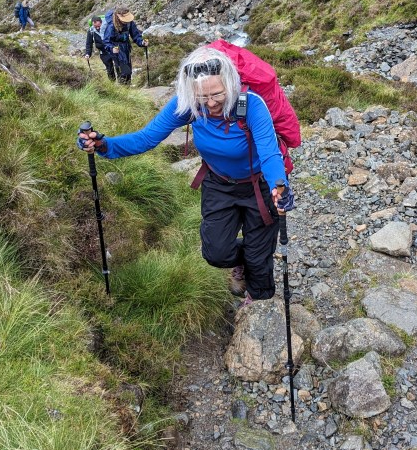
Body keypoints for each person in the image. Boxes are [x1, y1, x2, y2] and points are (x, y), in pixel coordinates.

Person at [78, 45, 294, 304]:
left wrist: (278, 187)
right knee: (216, 253)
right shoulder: (188, 104)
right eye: (203, 98)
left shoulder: (252, 105)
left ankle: (260, 304)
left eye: (217, 94)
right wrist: (105, 145)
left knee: (259, 259)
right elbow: (147, 138)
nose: (211, 103)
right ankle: (246, 260)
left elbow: (270, 153)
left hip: (259, 185)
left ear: (230, 84)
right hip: (219, 183)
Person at [106, 7, 147, 85]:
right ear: (118, 17)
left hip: (126, 48)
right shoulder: (111, 26)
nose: (126, 21)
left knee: (129, 72)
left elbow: (136, 35)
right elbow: (106, 41)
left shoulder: (130, 23)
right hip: (116, 50)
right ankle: (122, 91)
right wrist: (112, 48)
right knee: (123, 72)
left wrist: (141, 42)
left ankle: (127, 90)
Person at [84, 14, 116, 81]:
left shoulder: (108, 27)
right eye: (95, 26)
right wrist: (87, 54)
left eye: (98, 26)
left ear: (101, 22)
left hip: (112, 49)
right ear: (92, 24)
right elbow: (89, 43)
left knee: (118, 66)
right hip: (103, 52)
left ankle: (122, 82)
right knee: (109, 68)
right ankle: (113, 83)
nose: (97, 28)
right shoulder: (91, 31)